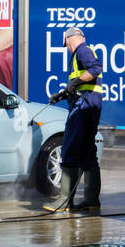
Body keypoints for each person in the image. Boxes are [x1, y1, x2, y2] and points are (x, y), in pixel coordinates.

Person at [43, 26, 104, 213]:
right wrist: (61, 95)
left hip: (83, 108)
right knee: (88, 154)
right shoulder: (80, 54)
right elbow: (80, 85)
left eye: (66, 45)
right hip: (89, 107)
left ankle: (63, 201)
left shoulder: (82, 51)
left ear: (69, 39)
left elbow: (95, 69)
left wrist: (75, 83)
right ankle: (91, 200)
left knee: (69, 149)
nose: (67, 48)